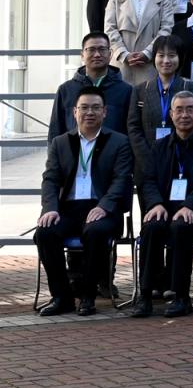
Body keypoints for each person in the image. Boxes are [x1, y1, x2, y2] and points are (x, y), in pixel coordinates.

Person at [34, 87, 134, 317]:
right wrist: (50, 209)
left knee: (95, 232)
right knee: (45, 233)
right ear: (74, 112)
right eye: (84, 108)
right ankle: (62, 297)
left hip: (103, 208)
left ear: (105, 112)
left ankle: (88, 297)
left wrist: (104, 206)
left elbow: (121, 180)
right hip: (69, 209)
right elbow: (50, 179)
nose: (90, 112)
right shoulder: (60, 143)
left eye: (96, 108)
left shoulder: (119, 142)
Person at [130, 89, 193, 318]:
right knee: (151, 227)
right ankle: (145, 296)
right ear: (171, 115)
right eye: (179, 110)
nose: (184, 115)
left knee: (181, 227)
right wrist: (155, 204)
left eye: (190, 109)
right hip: (165, 208)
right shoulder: (159, 146)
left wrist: (190, 205)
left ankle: (181, 296)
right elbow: (147, 180)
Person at [125, 36, 193, 182]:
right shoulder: (140, 90)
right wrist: (146, 157)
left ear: (180, 58)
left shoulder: (189, 88)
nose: (166, 60)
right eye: (161, 55)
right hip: (146, 163)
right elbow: (133, 127)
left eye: (172, 55)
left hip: (181, 160)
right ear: (154, 58)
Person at [104, 0, 175, 87]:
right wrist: (124, 54)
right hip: (121, 66)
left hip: (150, 66)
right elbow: (109, 28)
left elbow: (166, 29)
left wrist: (147, 53)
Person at [51, 34, 132, 141]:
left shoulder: (126, 91)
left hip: (115, 151)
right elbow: (55, 131)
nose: (97, 54)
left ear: (110, 54)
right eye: (91, 50)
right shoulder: (66, 90)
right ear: (82, 55)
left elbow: (132, 131)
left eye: (102, 49)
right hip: (75, 151)